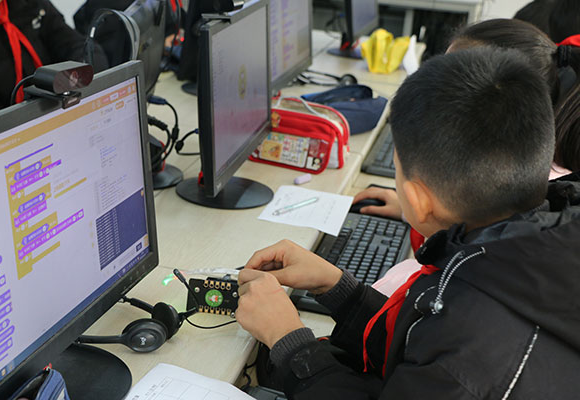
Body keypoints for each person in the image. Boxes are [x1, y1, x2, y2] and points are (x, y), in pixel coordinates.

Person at [235, 47, 580, 398]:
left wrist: (288, 340)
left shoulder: (466, 357)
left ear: (417, 200)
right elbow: (418, 346)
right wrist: (339, 289)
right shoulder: (531, 246)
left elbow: (438, 364)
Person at [357, 18, 580, 221]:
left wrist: (421, 209)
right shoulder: (520, 176)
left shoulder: (523, 199)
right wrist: (411, 210)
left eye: (452, 81)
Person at [0, 0, 108, 117]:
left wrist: (78, 80)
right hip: (16, 126)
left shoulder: (33, 5)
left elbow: (77, 46)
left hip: (61, 106)